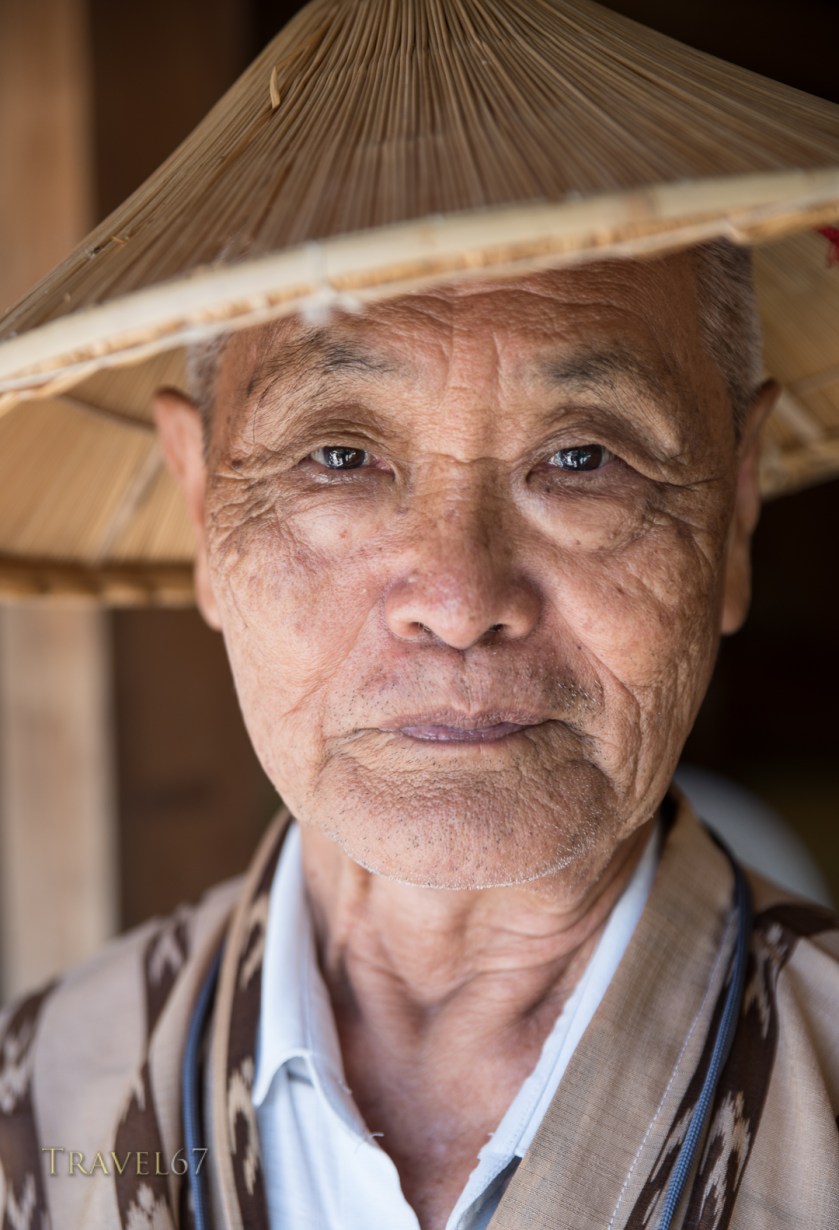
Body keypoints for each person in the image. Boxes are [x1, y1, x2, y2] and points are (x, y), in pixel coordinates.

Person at [0, 3, 837, 1228]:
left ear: (734, 513)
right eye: (339, 457)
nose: (456, 600)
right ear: (199, 509)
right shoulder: (34, 1116)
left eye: (581, 460)